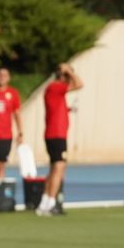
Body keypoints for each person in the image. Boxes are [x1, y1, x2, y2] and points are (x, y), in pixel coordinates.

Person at [37, 62, 83, 216]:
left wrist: (68, 109)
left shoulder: (55, 91)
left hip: (54, 134)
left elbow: (56, 109)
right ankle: (50, 202)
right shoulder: (56, 87)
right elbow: (80, 84)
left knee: (53, 169)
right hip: (56, 135)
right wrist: (69, 71)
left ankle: (45, 202)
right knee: (59, 168)